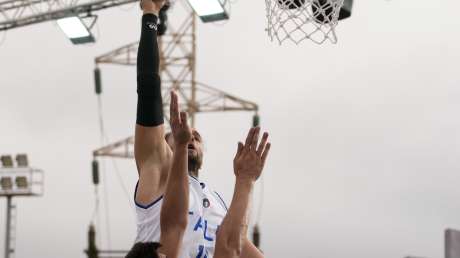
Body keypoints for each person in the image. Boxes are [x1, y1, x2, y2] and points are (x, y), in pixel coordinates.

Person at [133, 0, 269, 257]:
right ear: (165, 143)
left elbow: (232, 246)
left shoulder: (215, 201)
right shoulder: (157, 167)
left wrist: (245, 180)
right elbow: (148, 91)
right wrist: (150, 13)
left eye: (197, 136)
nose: (191, 136)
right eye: (183, 135)